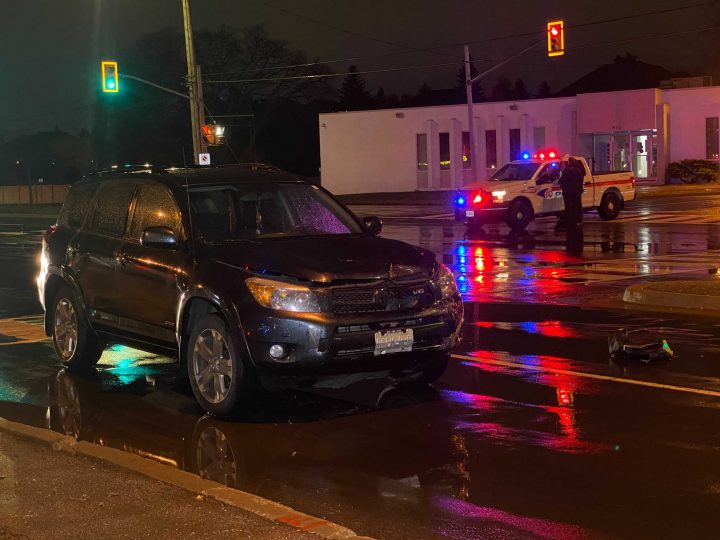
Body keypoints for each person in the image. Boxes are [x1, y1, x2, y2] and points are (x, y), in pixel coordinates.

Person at [559, 156, 585, 226]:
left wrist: (559, 181)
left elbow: (562, 180)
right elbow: (581, 181)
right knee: (577, 206)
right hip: (577, 192)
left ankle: (570, 221)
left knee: (569, 207)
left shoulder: (567, 171)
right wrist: (580, 190)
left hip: (568, 192)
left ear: (569, 162)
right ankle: (579, 220)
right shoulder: (578, 171)